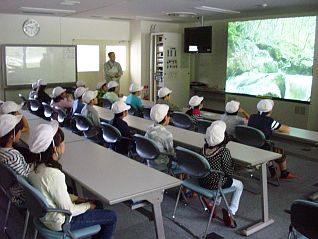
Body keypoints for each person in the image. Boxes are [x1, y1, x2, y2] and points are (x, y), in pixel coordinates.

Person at [27, 121, 117, 238]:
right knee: (112, 216)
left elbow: (54, 194)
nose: (65, 144)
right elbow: (69, 209)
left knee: (98, 204)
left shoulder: (34, 166)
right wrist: (88, 206)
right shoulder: (53, 174)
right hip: (62, 221)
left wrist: (78, 198)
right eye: (63, 142)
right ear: (55, 149)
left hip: (46, 214)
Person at [200, 120, 243, 228]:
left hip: (202, 180)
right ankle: (231, 211)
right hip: (215, 184)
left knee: (219, 176)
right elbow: (229, 173)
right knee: (239, 185)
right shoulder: (224, 152)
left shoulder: (203, 148)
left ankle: (213, 203)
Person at [248, 99, 296, 179]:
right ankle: (284, 173)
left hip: (250, 147)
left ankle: (273, 172)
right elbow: (287, 129)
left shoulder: (252, 117)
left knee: (268, 147)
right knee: (280, 152)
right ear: (270, 111)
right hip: (262, 150)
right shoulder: (270, 121)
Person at [0, 114, 30, 206]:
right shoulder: (14, 157)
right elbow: (26, 181)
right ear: (11, 137)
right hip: (24, 197)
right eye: (20, 131)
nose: (21, 132)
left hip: (9, 190)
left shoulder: (3, 152)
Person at [145, 104, 174, 172]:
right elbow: (171, 153)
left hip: (149, 162)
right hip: (162, 166)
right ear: (166, 117)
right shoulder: (167, 134)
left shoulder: (149, 129)